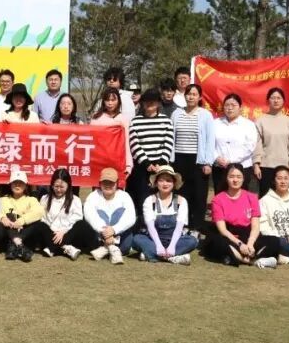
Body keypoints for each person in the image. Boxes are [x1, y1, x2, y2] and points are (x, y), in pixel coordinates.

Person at [206, 164, 280, 268]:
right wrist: (240, 244)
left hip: (247, 236)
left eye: (238, 177)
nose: (235, 180)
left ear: (243, 178)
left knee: (274, 241)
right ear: (226, 178)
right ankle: (249, 260)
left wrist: (250, 244)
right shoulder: (218, 199)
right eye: (231, 177)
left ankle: (240, 256)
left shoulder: (252, 197)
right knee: (217, 243)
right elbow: (223, 230)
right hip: (229, 236)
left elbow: (255, 226)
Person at [171, 83, 216, 233]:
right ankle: (183, 225)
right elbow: (172, 137)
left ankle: (196, 226)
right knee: (181, 193)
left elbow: (210, 140)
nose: (191, 97)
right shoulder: (177, 113)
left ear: (200, 97)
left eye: (194, 94)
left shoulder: (205, 115)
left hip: (198, 160)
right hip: (179, 159)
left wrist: (208, 162)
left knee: (199, 194)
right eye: (188, 94)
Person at [21, 168, 94, 260]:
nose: (59, 190)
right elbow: (42, 218)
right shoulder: (45, 199)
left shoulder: (75, 200)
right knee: (40, 225)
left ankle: (53, 248)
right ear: (52, 185)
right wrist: (54, 232)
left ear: (68, 185)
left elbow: (77, 218)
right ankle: (64, 248)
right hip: (50, 234)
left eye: (62, 187)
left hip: (67, 234)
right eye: (56, 186)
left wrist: (63, 231)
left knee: (81, 224)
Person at [133, 166, 198, 265]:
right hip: (153, 240)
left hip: (175, 240)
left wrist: (172, 246)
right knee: (136, 239)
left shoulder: (181, 201)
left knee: (192, 241)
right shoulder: (149, 200)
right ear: (156, 183)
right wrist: (159, 245)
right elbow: (150, 227)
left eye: (168, 181)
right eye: (161, 180)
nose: (165, 184)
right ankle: (174, 258)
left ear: (174, 183)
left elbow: (179, 227)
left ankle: (150, 254)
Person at [127, 88, 174, 219]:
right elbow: (134, 144)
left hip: (161, 167)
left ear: (158, 103)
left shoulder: (167, 121)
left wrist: (161, 163)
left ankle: (161, 223)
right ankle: (143, 223)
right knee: (142, 198)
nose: (149, 104)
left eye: (153, 101)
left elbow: (168, 143)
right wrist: (146, 163)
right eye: (146, 101)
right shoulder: (135, 121)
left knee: (161, 196)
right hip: (142, 167)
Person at [253, 87, 289, 199]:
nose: (276, 100)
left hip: (284, 166)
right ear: (268, 100)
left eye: (279, 98)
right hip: (266, 165)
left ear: (283, 101)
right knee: (265, 197)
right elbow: (257, 144)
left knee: (284, 197)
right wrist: (256, 164)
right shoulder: (260, 120)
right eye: (273, 98)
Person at [84, 168, 136, 264]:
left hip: (122, 241)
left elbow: (131, 217)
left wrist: (114, 230)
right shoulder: (93, 196)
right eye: (105, 182)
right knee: (101, 214)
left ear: (117, 183)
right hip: (99, 238)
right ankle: (113, 249)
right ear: (100, 183)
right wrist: (106, 234)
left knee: (119, 212)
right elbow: (89, 215)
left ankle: (105, 249)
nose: (108, 185)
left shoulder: (125, 196)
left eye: (111, 182)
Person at [212, 94, 259, 195]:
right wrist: (217, 158)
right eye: (227, 105)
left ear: (240, 108)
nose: (230, 108)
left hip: (242, 168)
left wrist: (232, 161)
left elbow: (250, 146)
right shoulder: (215, 123)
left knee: (240, 197)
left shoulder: (249, 125)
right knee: (220, 196)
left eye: (233, 105)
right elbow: (209, 144)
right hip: (220, 167)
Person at [91, 88, 133, 174]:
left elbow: (126, 144)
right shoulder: (96, 119)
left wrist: (128, 165)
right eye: (107, 100)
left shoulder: (123, 119)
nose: (110, 103)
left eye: (113, 100)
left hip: (117, 162)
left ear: (118, 101)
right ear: (103, 101)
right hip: (98, 161)